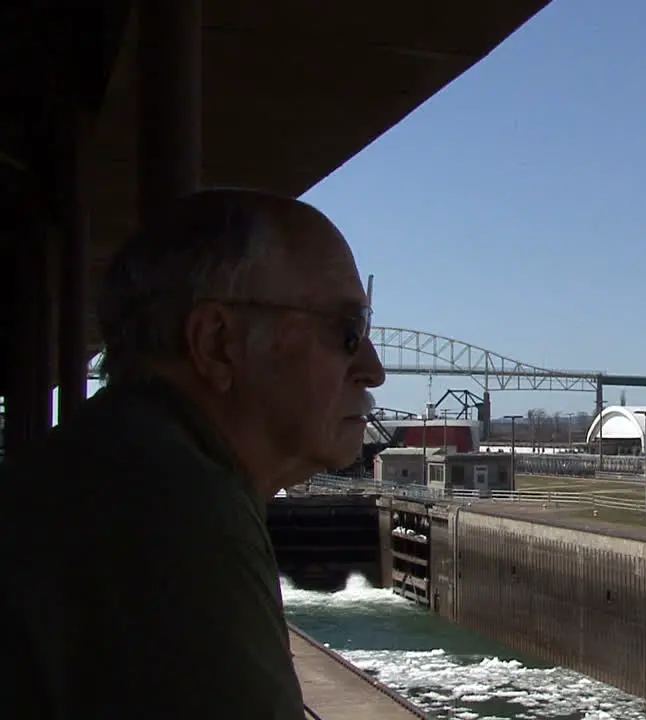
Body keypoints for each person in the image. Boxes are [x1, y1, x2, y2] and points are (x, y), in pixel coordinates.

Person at [0, 188, 387, 718]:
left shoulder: (110, 464)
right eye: (347, 332)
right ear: (216, 343)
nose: (374, 369)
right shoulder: (167, 512)